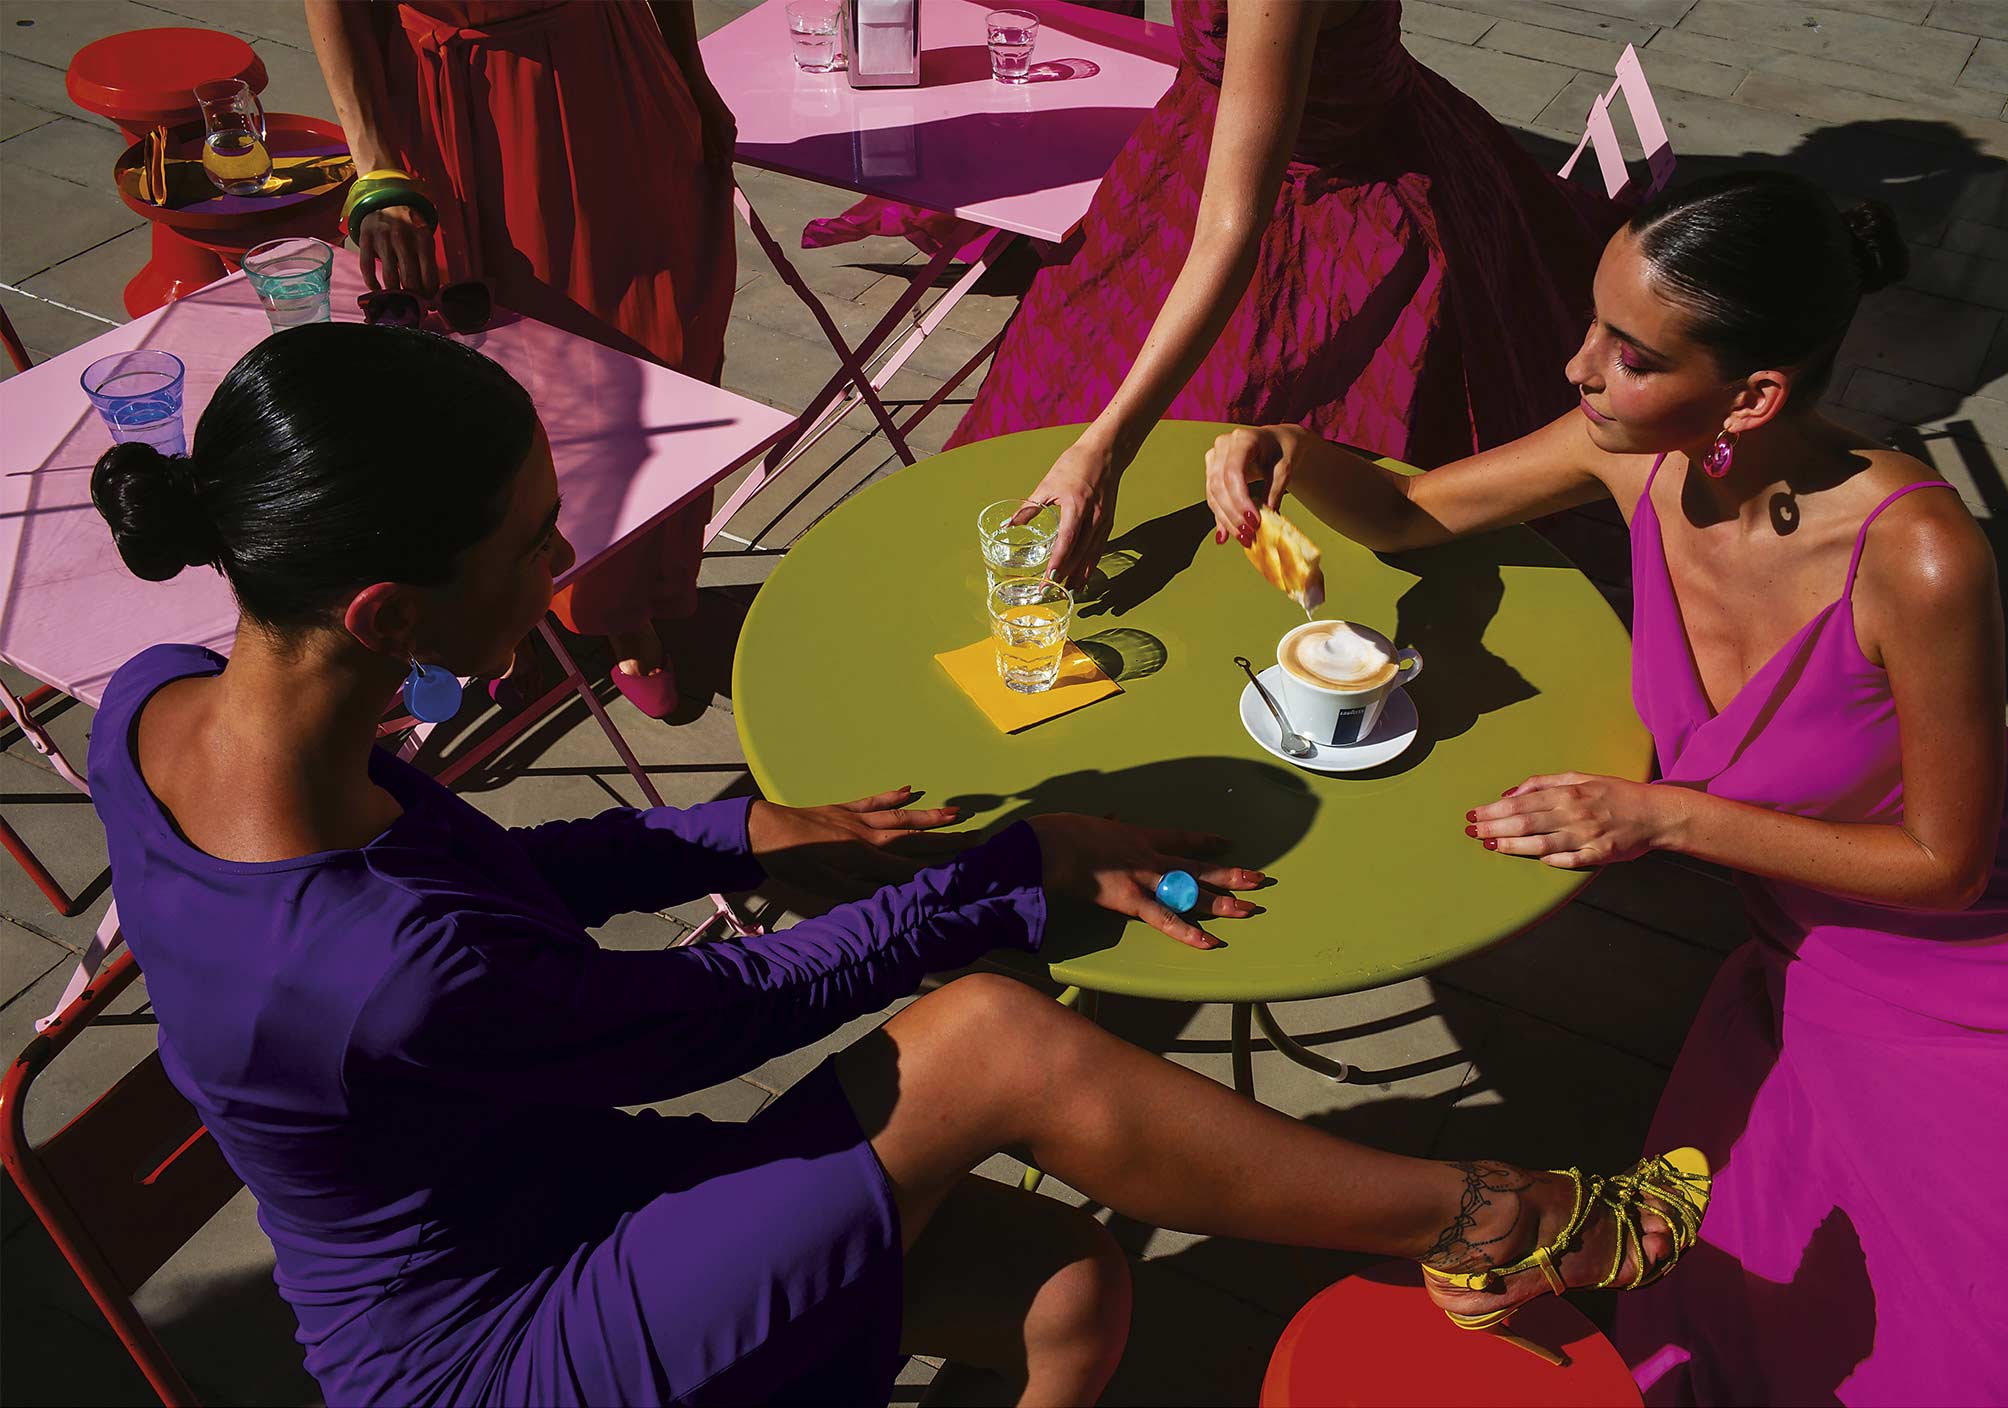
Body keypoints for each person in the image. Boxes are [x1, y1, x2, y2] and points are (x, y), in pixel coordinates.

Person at [86, 323, 1707, 1407]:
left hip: (537, 1185)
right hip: (493, 1343)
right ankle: (1487, 1217)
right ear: (383, 611)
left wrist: (743, 827)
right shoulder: (381, 968)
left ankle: (1470, 1221)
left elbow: (492, 873)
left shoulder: (159, 708)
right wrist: (1001, 873)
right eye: (528, 542)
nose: (565, 560)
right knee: (993, 1037)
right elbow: (702, 1021)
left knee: (1067, 1293)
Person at [1204, 170, 2008, 1405]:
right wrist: (1294, 448)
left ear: (1752, 394)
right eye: (1593, 325)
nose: (1579, 368)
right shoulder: (1635, 453)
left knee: (1984, 1337)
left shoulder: (1919, 555)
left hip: (2004, 960)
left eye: (1629, 354)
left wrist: (1664, 813)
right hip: (1809, 943)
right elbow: (1410, 513)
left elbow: (1947, 865)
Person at [947, 0, 1616, 587]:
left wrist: (1106, 449)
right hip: (1223, 147)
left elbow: (1231, 231)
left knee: (1240, 459)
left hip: (1316, 211)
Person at [305, 0, 737, 720]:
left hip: (615, 77)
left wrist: (691, 77)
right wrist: (377, 169)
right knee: (480, 375)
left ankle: (618, 602)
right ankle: (493, 608)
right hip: (448, 104)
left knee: (648, 358)